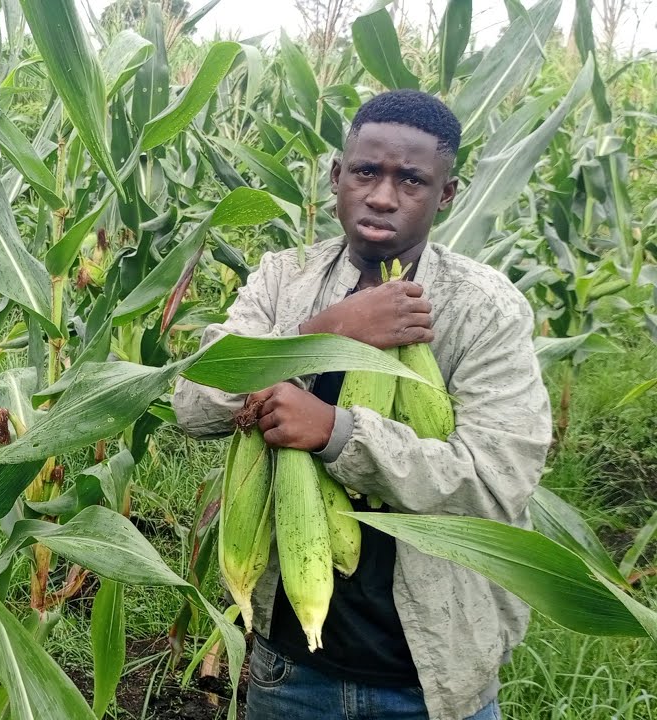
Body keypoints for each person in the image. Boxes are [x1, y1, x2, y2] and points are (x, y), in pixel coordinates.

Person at [173, 90, 552, 720]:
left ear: (447, 193)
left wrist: (337, 434)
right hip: (291, 666)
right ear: (337, 177)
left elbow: (494, 479)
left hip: (431, 679)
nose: (382, 195)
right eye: (366, 172)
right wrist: (327, 333)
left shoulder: (484, 310)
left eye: (411, 179)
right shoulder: (281, 279)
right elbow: (194, 404)